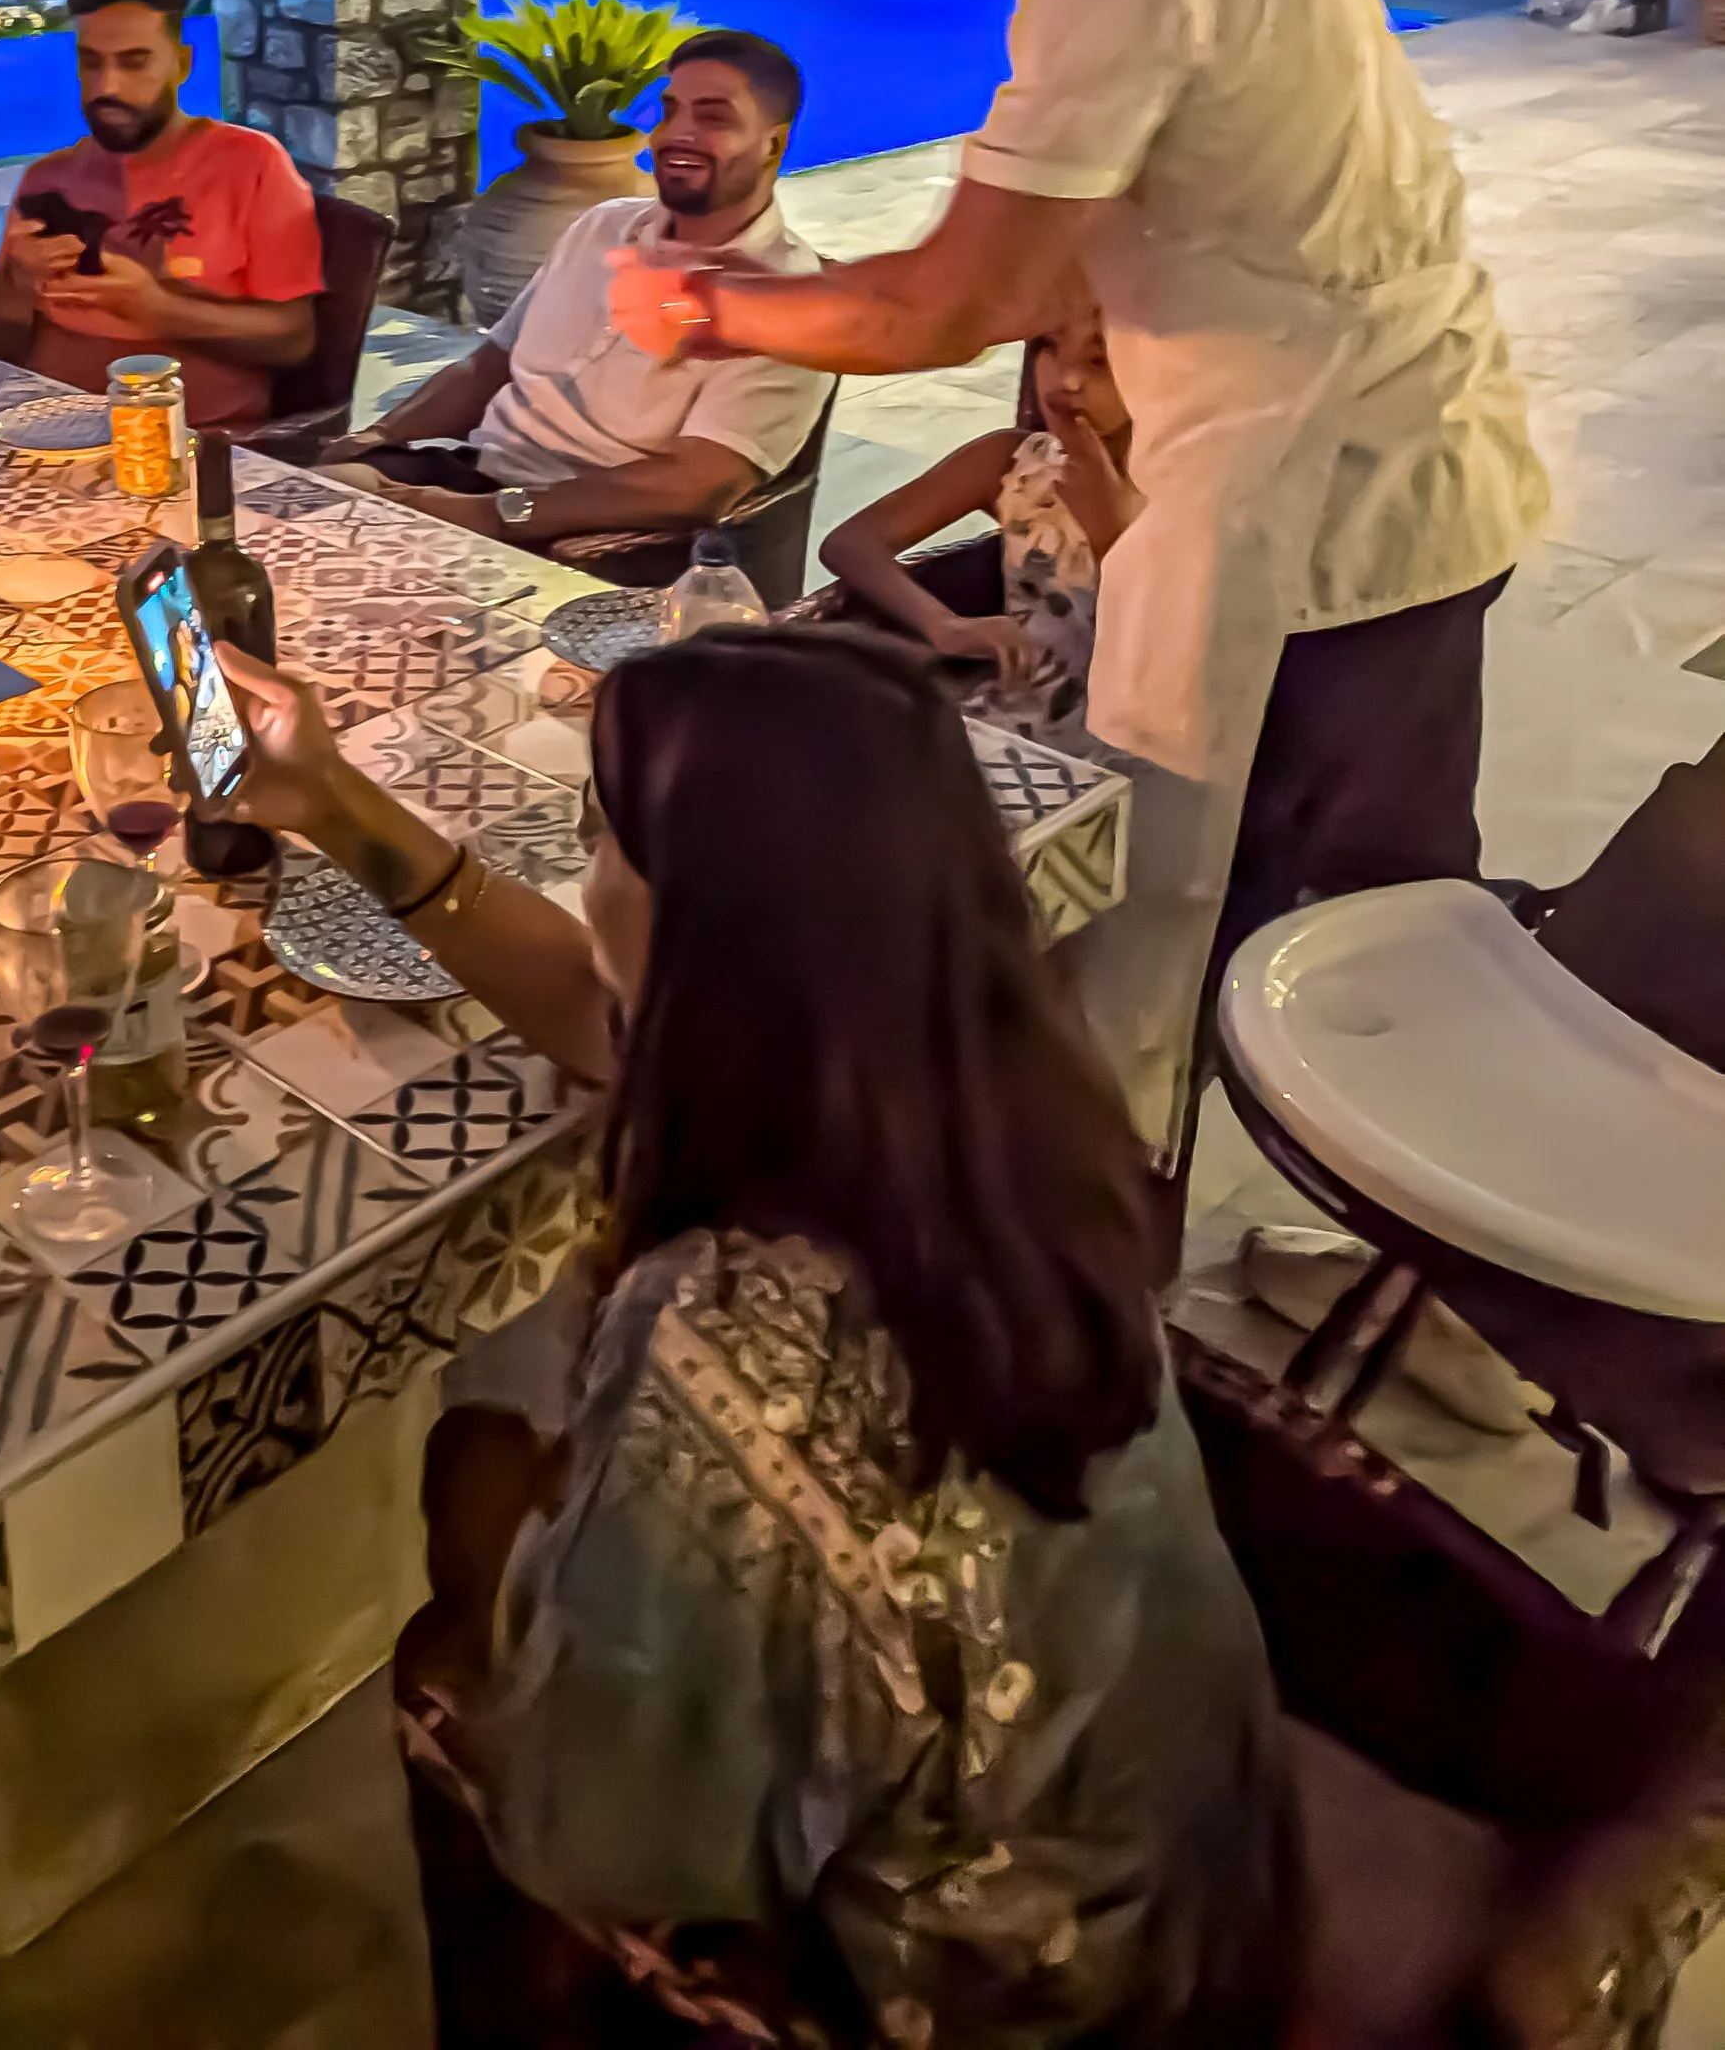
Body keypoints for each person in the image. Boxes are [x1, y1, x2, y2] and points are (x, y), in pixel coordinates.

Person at [214, 624, 1299, 2049]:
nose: (585, 877)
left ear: (713, 926)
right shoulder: (985, 1091)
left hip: (1013, 2001)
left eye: (603, 842)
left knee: (465, 1473)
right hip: (1197, 1904)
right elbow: (612, 1013)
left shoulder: (730, 1344)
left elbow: (593, 1837)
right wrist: (343, 808)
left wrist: (499, 1541)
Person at [608, 0, 1546, 1135]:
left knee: (1362, 938)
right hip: (1275, 485)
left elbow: (952, 303)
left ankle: (1429, 1307)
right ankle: (1163, 1279)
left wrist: (703, 310)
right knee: (1218, 938)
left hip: (1359, 515)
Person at [327, 30, 829, 553]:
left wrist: (493, 515)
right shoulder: (602, 227)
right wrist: (377, 439)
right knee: (293, 498)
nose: (676, 134)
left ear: (773, 143)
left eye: (713, 116)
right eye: (670, 111)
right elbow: (491, 361)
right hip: (473, 474)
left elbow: (698, 484)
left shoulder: (788, 299)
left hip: (590, 532)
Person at [0, 0, 322, 433]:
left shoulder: (251, 164)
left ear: (181, 64)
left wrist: (155, 307)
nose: (107, 87)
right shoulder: (48, 179)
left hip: (190, 445)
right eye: (91, 62)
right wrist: (15, 285)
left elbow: (294, 339)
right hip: (47, 434)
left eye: (134, 62)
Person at [821, 287, 1136, 738]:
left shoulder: (1190, 497)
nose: (1065, 380)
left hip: (1124, 746)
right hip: (1009, 725)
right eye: (1048, 347)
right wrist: (943, 625)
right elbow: (851, 543)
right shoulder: (1016, 463)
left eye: (1098, 360)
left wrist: (1111, 533)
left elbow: (1178, 653)